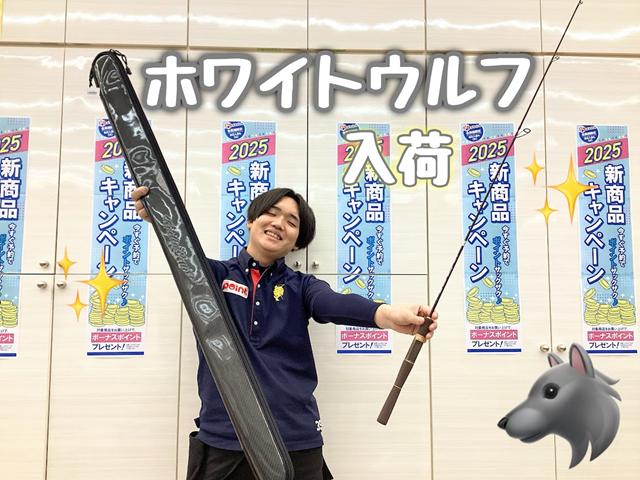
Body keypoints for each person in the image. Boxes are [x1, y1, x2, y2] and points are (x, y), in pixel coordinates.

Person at [131, 185, 438, 480]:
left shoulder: (302, 286)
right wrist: (160, 215)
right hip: (224, 436)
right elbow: (179, 245)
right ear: (251, 220)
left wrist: (387, 315)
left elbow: (333, 303)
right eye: (271, 213)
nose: (279, 223)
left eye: (291, 222)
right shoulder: (212, 275)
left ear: (296, 244)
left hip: (295, 439)